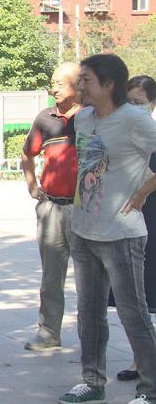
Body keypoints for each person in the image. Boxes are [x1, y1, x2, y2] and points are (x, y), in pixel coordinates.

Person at [58, 55, 156, 404]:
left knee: (133, 313)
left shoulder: (134, 119)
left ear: (109, 84)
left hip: (122, 234)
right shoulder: (83, 118)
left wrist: (143, 192)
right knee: (89, 313)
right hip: (84, 230)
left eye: (86, 80)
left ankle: (150, 389)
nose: (80, 86)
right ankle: (92, 382)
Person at [21, 62, 82, 351]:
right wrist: (32, 185)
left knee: (89, 279)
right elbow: (27, 154)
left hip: (86, 211)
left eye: (59, 83)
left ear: (78, 85)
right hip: (53, 209)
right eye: (52, 82)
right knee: (51, 277)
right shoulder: (45, 118)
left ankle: (91, 337)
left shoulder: (92, 116)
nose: (53, 88)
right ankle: (48, 333)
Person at [116, 75, 156, 383]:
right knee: (136, 291)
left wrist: (143, 191)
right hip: (133, 218)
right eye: (129, 101)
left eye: (139, 103)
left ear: (152, 103)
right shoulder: (122, 131)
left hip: (149, 209)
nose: (133, 107)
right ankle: (140, 359)